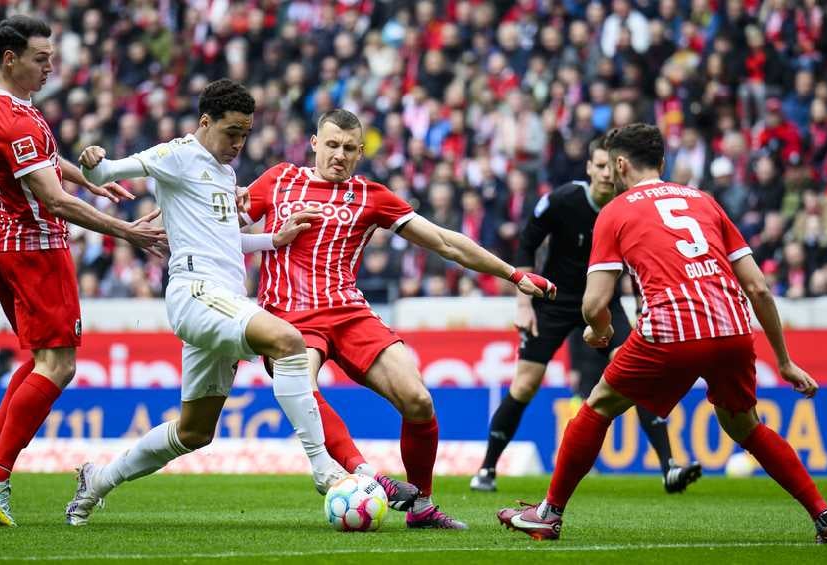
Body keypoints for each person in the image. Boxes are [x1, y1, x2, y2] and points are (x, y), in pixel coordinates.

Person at [497, 123, 827, 543]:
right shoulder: (704, 200)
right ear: (662, 163)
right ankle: (826, 519)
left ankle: (549, 513)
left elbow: (594, 304)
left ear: (620, 164)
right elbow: (756, 285)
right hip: (732, 329)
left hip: (672, 330)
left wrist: (599, 331)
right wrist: (785, 361)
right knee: (745, 427)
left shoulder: (615, 210)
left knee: (598, 406)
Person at [245, 108, 557, 529]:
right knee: (301, 387)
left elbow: (445, 242)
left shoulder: (370, 195)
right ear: (314, 144)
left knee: (419, 400)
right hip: (288, 318)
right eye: (332, 145)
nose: (339, 155)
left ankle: (422, 506)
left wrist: (514, 274)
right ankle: (367, 474)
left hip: (349, 312)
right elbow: (223, 220)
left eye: (349, 149)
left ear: (360, 154)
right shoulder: (278, 180)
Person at [62, 79, 341, 526]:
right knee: (289, 341)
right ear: (205, 122)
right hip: (195, 292)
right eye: (232, 132)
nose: (239, 143)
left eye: (245, 133)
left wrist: (274, 238)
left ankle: (96, 481)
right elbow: (108, 172)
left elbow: (225, 241)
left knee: (194, 432)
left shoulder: (225, 173)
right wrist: (93, 160)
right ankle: (324, 468)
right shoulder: (177, 154)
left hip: (223, 298)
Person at [0, 15, 169, 527]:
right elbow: (53, 198)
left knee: (41, 360)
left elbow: (46, 164)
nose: (51, 66)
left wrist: (92, 182)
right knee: (59, 367)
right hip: (36, 249)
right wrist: (126, 231)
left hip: (5, 244)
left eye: (51, 56)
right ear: (10, 59)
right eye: (41, 58)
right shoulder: (18, 119)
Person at [470, 136, 701, 494]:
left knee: (637, 376)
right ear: (589, 168)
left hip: (604, 302)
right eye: (600, 166)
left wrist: (642, 308)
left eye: (612, 165)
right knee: (526, 384)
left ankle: (669, 466)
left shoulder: (630, 207)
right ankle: (486, 469)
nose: (607, 173)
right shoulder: (562, 201)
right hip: (554, 299)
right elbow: (527, 243)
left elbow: (644, 260)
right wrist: (523, 302)